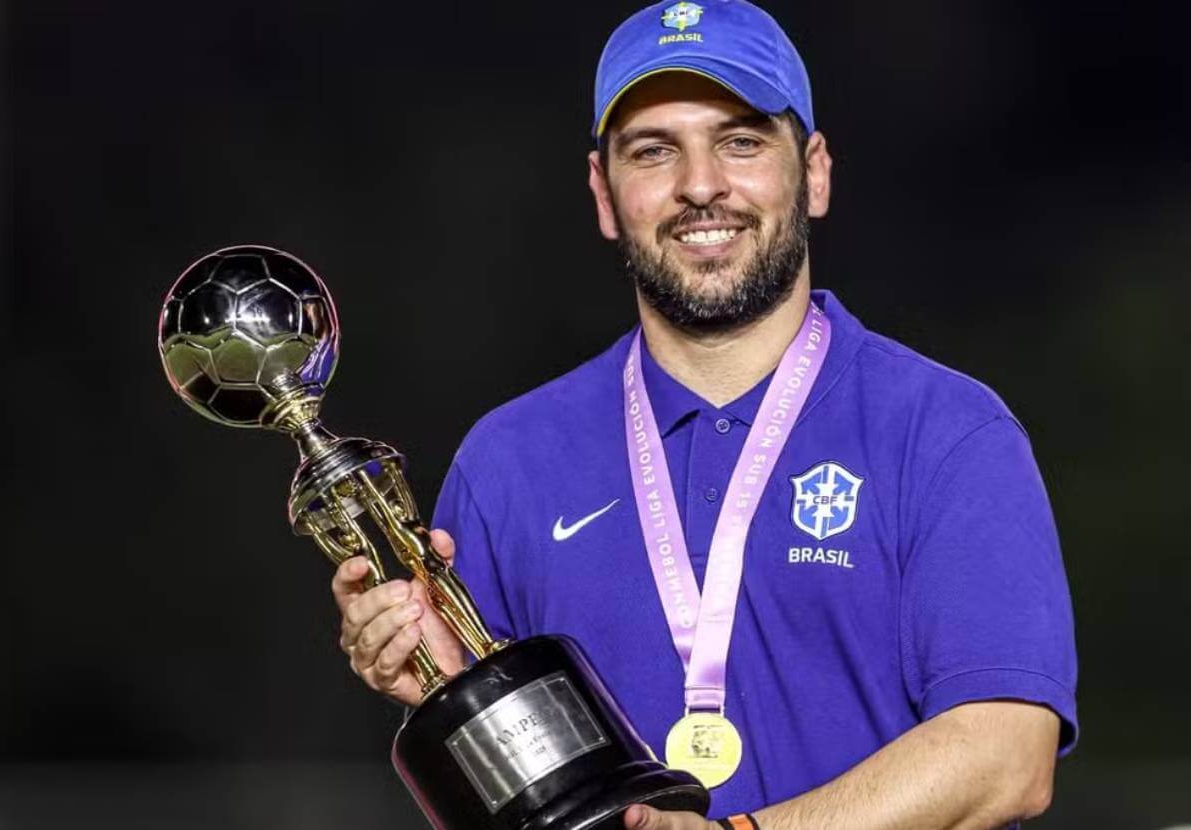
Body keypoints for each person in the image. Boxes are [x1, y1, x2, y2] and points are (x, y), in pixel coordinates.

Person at [331, 2, 1078, 828]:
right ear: (604, 194)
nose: (699, 185)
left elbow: (1008, 756)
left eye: (741, 141)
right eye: (654, 151)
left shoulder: (945, 433)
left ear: (814, 173)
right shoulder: (509, 461)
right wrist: (453, 694)